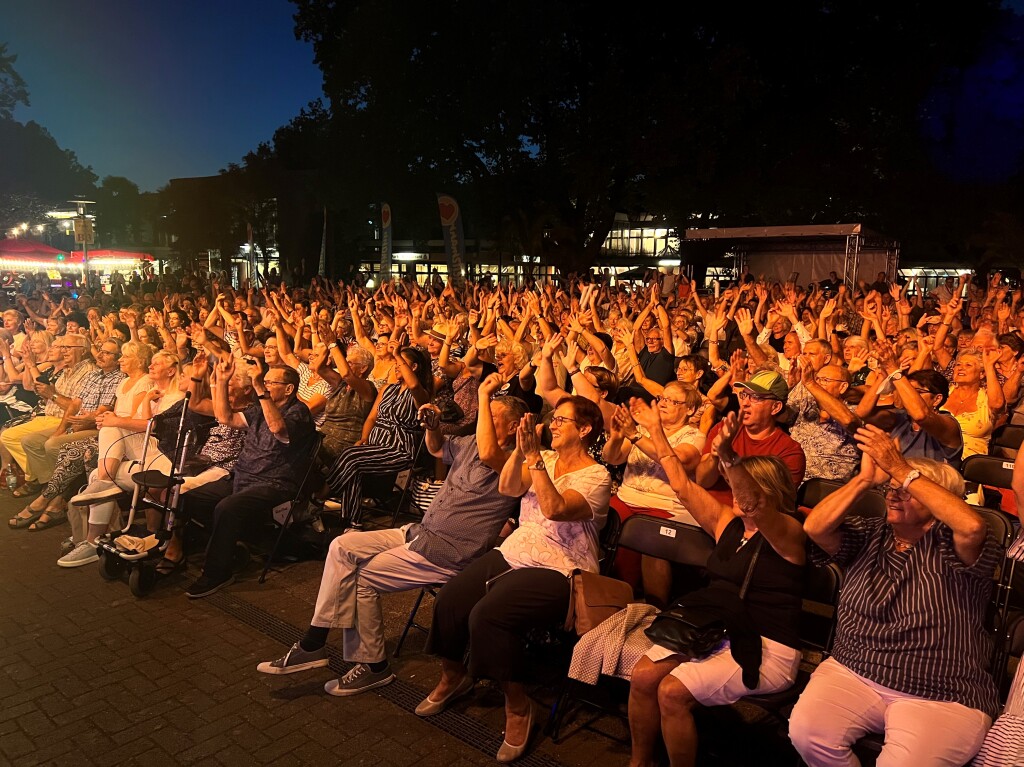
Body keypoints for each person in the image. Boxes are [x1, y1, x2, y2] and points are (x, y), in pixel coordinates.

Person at [256, 375, 526, 695]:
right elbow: (438, 448)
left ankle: (372, 665)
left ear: (513, 427)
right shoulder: (470, 443)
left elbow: (490, 455)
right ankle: (314, 642)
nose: (485, 419)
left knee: (362, 578)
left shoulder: (515, 460)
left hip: (450, 550)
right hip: (420, 532)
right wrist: (432, 425)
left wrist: (483, 395)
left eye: (493, 417)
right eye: (485, 415)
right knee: (342, 545)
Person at [791, 425, 1003, 767]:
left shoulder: (954, 543)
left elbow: (973, 526)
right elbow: (815, 528)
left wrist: (902, 469)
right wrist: (863, 480)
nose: (893, 494)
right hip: (854, 668)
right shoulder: (871, 532)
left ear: (939, 499)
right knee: (808, 733)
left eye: (906, 490)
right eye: (891, 488)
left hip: (940, 689)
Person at [417, 396, 610, 763]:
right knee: (452, 598)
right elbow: (508, 488)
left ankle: (519, 706)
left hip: (561, 569)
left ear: (584, 430)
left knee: (488, 615)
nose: (553, 424)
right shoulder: (546, 459)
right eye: (553, 419)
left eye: (562, 421)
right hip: (515, 551)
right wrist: (522, 455)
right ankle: (453, 675)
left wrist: (534, 458)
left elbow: (554, 509)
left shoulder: (596, 476)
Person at [626, 405, 806, 767]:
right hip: (716, 631)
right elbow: (681, 485)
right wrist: (657, 433)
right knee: (643, 676)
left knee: (672, 692)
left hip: (766, 645)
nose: (732, 490)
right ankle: (639, 763)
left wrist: (727, 455)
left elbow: (755, 505)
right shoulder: (729, 524)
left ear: (768, 491)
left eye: (740, 483)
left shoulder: (790, 534)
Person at [182, 360, 316, 598]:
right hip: (242, 477)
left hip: (274, 483)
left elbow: (277, 428)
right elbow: (226, 418)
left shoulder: (299, 412)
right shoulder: (259, 409)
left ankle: (217, 573)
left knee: (228, 508)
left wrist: (259, 390)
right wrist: (222, 381)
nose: (264, 386)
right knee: (188, 499)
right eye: (264, 382)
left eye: (270, 382)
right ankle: (229, 547)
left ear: (289, 389)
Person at [602, 382, 706, 603]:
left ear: (689, 409)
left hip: (664, 506)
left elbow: (676, 460)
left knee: (652, 542)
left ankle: (654, 608)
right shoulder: (640, 430)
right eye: (662, 399)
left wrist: (636, 436)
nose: (664, 403)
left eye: (672, 400)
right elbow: (612, 458)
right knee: (594, 518)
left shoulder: (694, 436)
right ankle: (603, 598)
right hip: (626, 497)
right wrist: (618, 436)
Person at [320, 336, 432, 527]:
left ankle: (319, 496)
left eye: (401, 363)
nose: (396, 366)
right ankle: (352, 522)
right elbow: (372, 417)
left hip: (399, 449)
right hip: (375, 445)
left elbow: (413, 385)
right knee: (353, 462)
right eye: (396, 363)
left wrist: (396, 353)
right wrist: (364, 438)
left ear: (413, 368)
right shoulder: (387, 389)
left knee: (351, 458)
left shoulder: (420, 393)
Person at [695, 369, 805, 505]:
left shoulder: (789, 452)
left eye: (756, 397)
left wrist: (728, 456)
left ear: (775, 407)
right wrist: (715, 456)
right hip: (707, 511)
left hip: (747, 523)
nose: (745, 403)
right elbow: (702, 481)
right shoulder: (724, 428)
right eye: (744, 395)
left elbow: (767, 507)